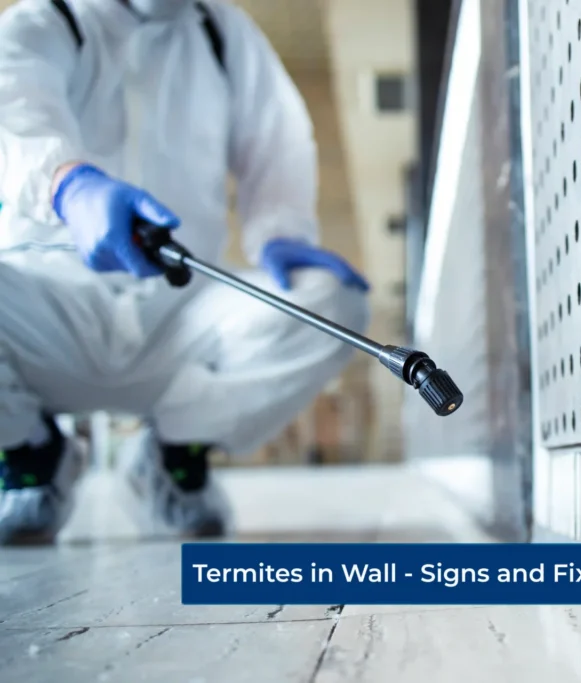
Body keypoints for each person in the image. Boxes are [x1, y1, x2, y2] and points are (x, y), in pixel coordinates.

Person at [0, 0, 371, 544]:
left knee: (330, 302)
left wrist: (281, 230)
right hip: (48, 312)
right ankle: (29, 451)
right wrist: (68, 184)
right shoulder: (47, 18)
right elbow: (13, 103)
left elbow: (277, 137)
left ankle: (175, 456)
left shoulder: (224, 35)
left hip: (182, 310)